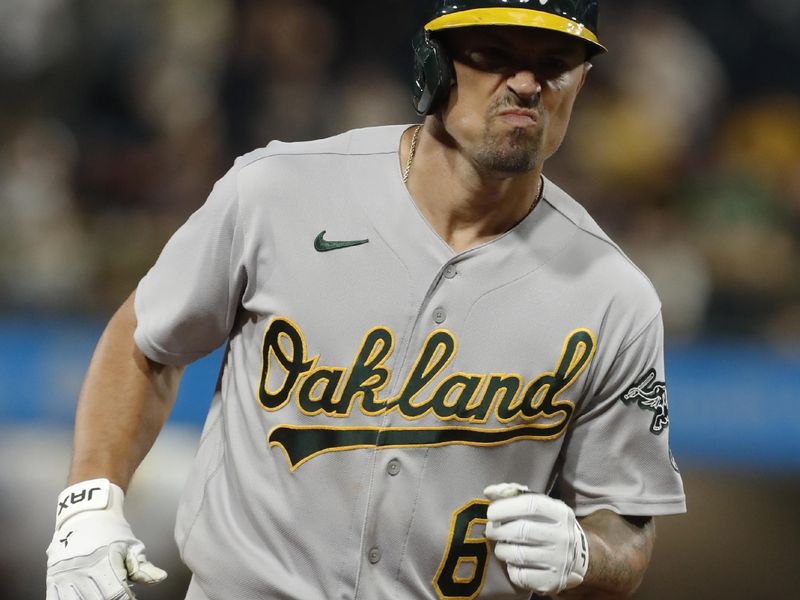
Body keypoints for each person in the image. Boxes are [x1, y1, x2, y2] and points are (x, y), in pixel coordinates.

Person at [45, 1, 686, 598]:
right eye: (494, 54)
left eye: (555, 65)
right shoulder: (278, 193)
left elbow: (625, 528)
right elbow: (144, 340)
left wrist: (582, 555)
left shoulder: (614, 297)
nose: (526, 85)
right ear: (434, 62)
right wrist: (90, 500)